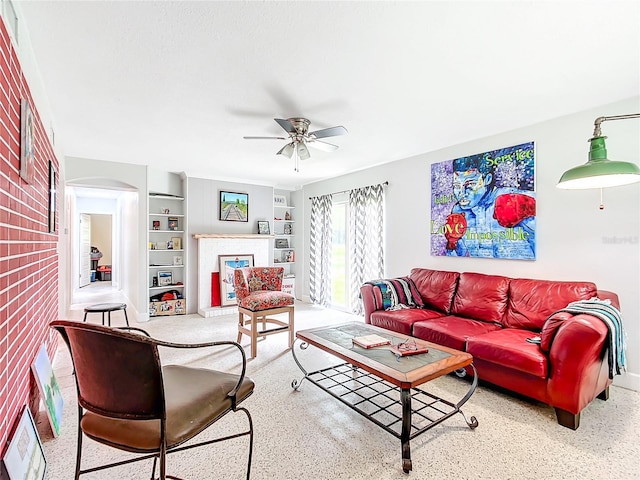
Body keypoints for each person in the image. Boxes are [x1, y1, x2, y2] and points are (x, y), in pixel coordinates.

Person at [446, 156, 535, 259]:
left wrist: (530, 208)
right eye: (457, 186)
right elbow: (458, 257)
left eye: (470, 184)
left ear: (487, 179)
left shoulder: (512, 198)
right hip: (480, 271)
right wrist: (452, 243)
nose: (462, 193)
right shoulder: (459, 212)